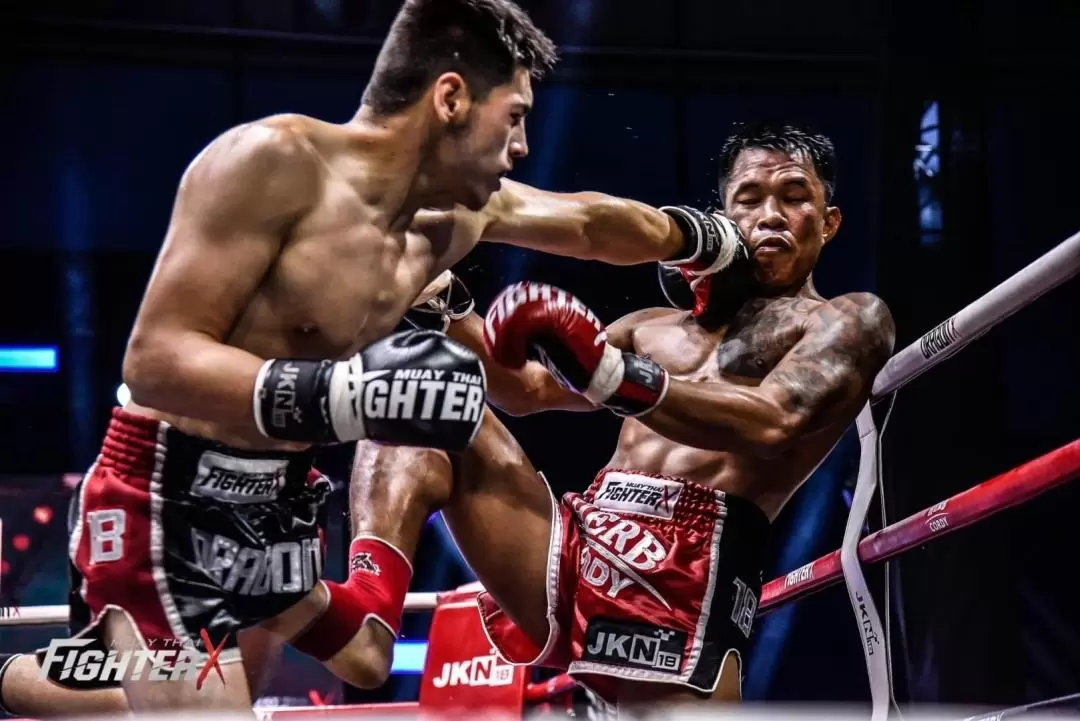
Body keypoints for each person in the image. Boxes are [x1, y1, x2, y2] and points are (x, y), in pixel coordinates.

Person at [0, 0, 743, 713]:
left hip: (272, 505)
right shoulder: (270, 162)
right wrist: (349, 396)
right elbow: (156, 359)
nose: (521, 148)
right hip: (165, 503)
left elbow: (587, 224)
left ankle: (41, 679)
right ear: (450, 98)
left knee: (361, 656)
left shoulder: (451, 224)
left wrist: (714, 242)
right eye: (513, 119)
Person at [347, 123, 897, 712]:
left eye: (794, 197)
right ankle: (365, 619)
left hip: (692, 564)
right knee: (418, 405)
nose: (770, 215)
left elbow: (771, 421)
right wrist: (440, 300)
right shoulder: (651, 326)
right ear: (721, 219)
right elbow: (526, 389)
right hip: (580, 540)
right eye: (750, 199)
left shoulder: (846, 320)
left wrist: (611, 374)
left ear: (828, 220)